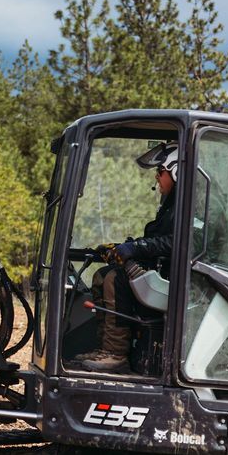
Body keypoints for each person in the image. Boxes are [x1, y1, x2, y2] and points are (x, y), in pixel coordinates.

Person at [79, 142, 178, 372]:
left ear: (175, 171)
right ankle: (106, 347)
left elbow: (176, 243)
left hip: (180, 280)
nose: (156, 177)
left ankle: (116, 354)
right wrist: (127, 247)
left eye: (160, 171)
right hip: (163, 268)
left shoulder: (191, 206)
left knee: (116, 279)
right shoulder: (172, 205)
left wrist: (136, 248)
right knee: (102, 275)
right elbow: (161, 240)